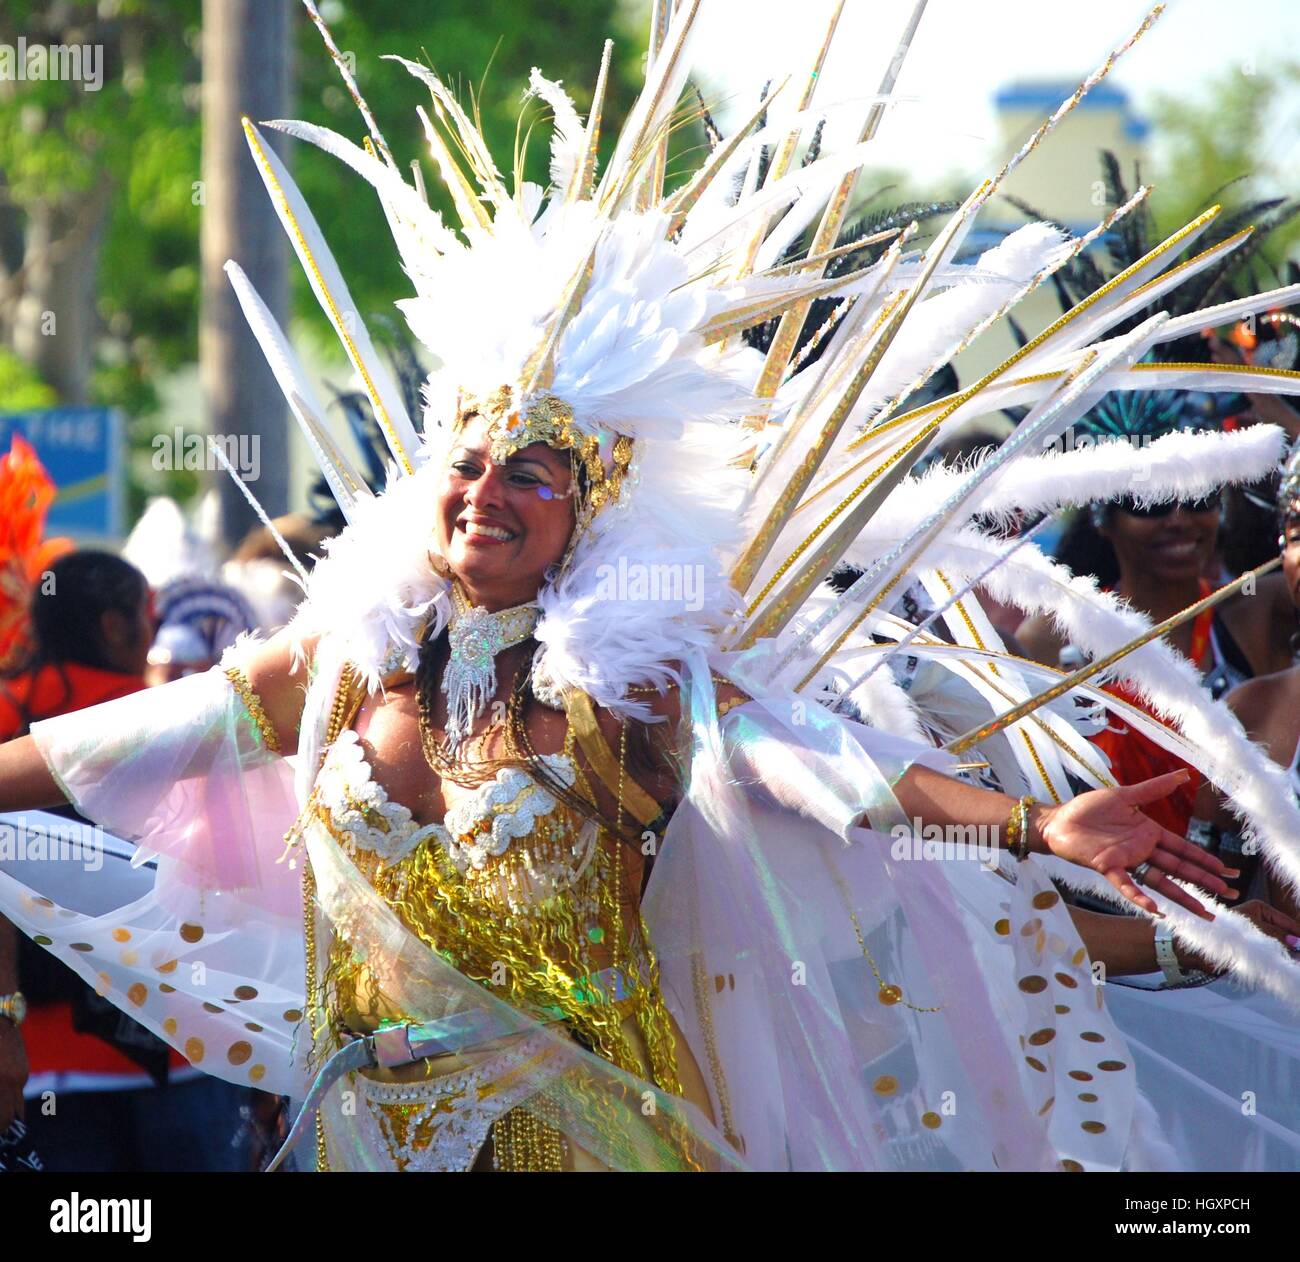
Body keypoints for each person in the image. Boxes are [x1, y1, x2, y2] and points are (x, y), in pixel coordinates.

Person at [0, 3, 1296, 1173]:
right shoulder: (342, 661)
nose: (486, 492)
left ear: (589, 509)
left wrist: (1029, 831)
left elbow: (841, 784)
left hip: (595, 1135)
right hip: (364, 1140)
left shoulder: (632, 691)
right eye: (468, 461)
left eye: (534, 473)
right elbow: (105, 747)